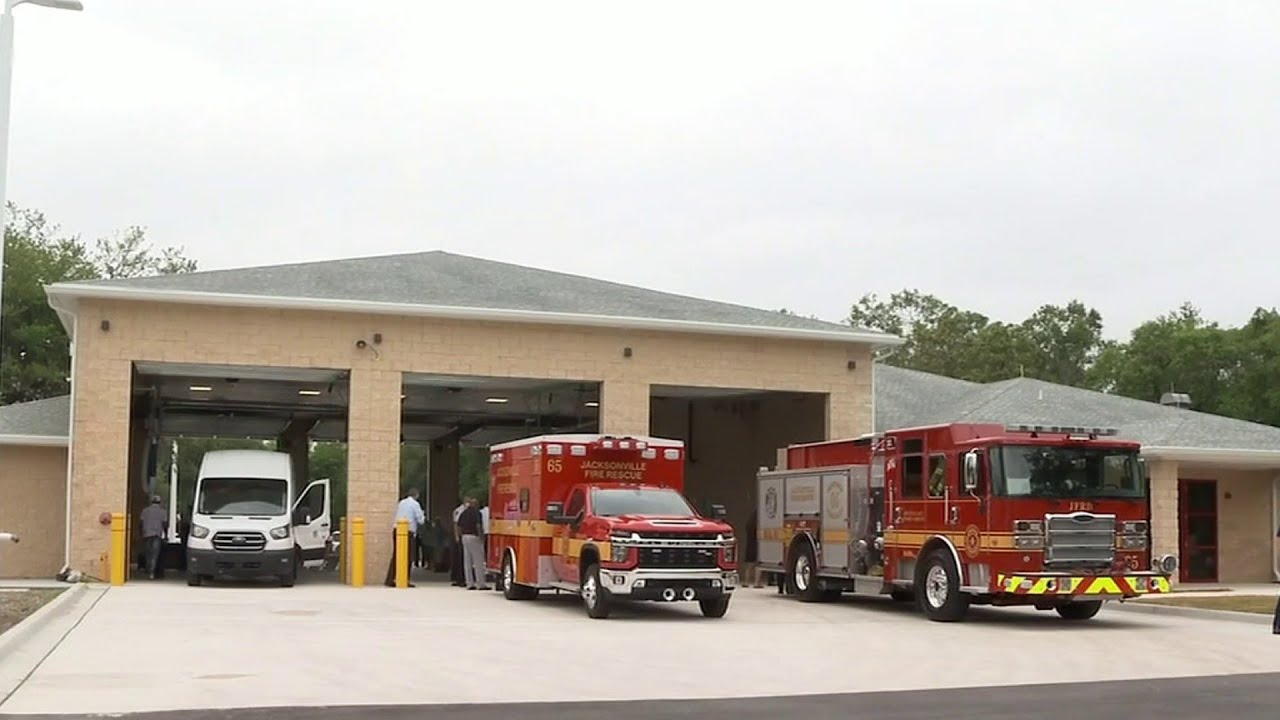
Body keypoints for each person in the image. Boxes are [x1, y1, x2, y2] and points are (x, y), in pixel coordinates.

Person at [385, 488, 425, 587]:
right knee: (408, 556)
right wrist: (423, 515)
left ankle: (390, 579)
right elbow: (421, 520)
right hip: (408, 531)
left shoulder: (401, 502)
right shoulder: (415, 504)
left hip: (396, 530)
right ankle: (404, 580)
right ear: (416, 495)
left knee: (396, 555)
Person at [456, 498, 489, 590]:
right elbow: (478, 525)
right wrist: (481, 536)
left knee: (467, 561)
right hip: (474, 537)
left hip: (465, 537)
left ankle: (469, 583)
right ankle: (481, 583)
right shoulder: (477, 513)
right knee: (478, 561)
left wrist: (460, 535)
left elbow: (458, 525)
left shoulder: (464, 512)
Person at [139, 495, 168, 580]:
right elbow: (165, 524)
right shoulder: (163, 511)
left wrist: (141, 533)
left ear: (151, 501)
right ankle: (151, 572)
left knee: (148, 554)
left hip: (146, 535)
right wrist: (165, 535)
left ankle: (148, 570)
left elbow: (140, 523)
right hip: (157, 535)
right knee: (155, 555)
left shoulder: (145, 511)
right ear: (160, 502)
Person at [450, 497, 467, 587]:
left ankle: (461, 578)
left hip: (463, 536)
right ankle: (458, 578)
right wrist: (457, 536)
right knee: (459, 559)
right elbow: (456, 524)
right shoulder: (459, 511)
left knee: (462, 558)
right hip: (460, 537)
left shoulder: (464, 510)